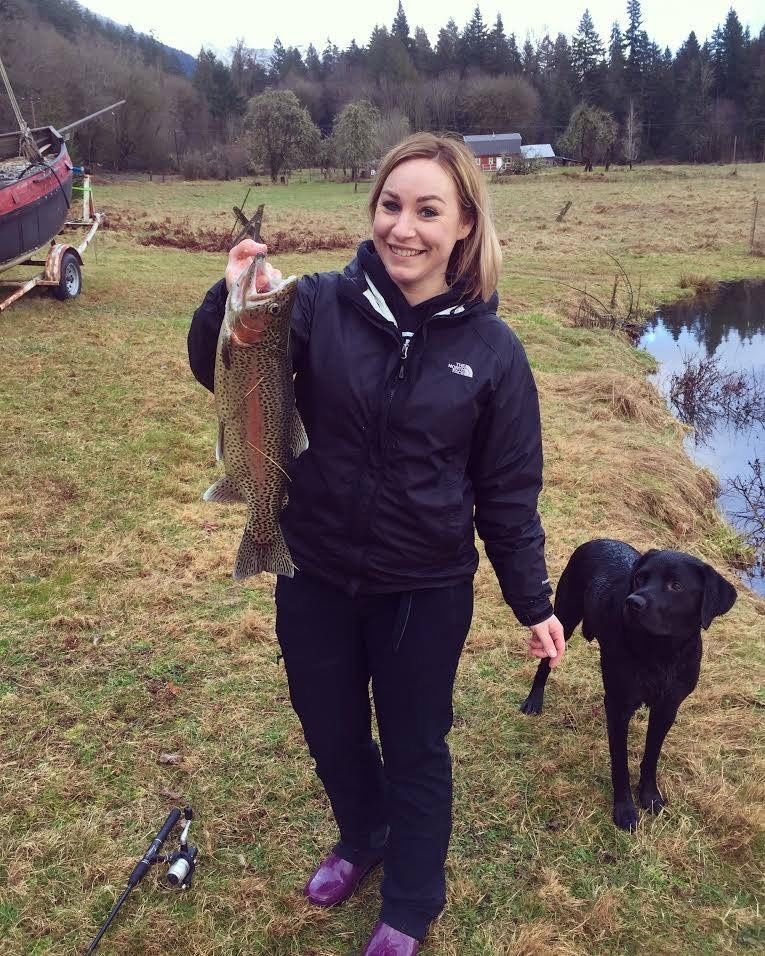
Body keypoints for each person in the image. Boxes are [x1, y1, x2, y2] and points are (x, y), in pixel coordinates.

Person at [188, 133, 565, 956]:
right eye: (391, 206)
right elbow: (219, 371)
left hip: (422, 589)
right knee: (327, 727)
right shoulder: (317, 304)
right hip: (313, 570)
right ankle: (361, 837)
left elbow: (507, 493)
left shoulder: (492, 353)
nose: (404, 228)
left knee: (415, 745)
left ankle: (410, 899)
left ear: (464, 223)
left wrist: (532, 601)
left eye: (428, 210)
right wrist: (228, 302)